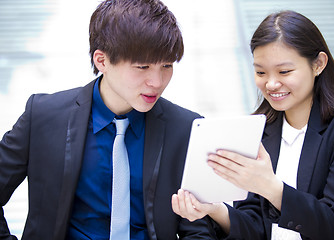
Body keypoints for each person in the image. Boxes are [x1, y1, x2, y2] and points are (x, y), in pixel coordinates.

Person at [0, 0, 215, 239]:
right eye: (142, 67)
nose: (157, 81)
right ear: (101, 61)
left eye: (166, 65)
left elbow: (198, 230)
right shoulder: (43, 115)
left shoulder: (187, 128)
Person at [172, 10, 334, 239]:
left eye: (284, 71)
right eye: (260, 71)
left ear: (318, 64)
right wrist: (214, 209)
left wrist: (271, 187)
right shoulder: (259, 131)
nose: (271, 83)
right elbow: (256, 228)